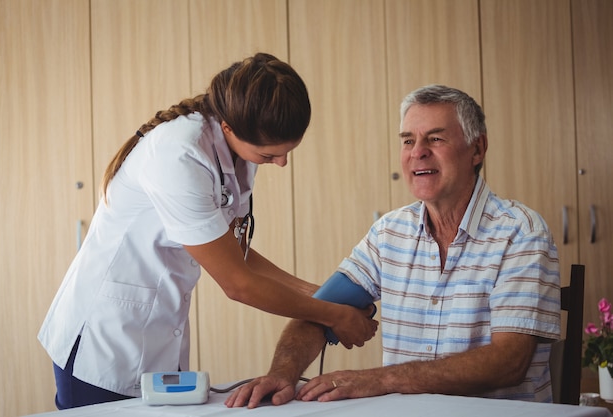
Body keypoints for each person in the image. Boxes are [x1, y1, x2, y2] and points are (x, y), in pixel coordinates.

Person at [37, 52, 378, 410]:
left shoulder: (238, 149)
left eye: (286, 152)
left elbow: (235, 251)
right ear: (228, 127)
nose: (281, 163)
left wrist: (320, 295)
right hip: (103, 340)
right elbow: (237, 282)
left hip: (156, 332)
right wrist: (333, 314)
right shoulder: (179, 155)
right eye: (269, 155)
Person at [225, 84, 561, 408]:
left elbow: (509, 362)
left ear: (477, 149)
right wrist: (282, 373)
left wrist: (381, 380)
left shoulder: (521, 232)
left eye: (436, 138)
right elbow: (319, 313)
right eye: (408, 140)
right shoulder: (389, 232)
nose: (418, 152)